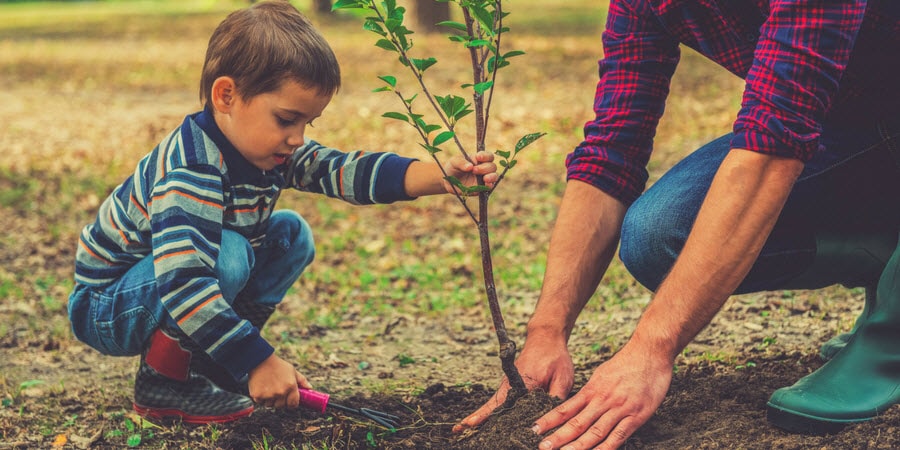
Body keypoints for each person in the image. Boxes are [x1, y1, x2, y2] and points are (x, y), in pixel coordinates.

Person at [456, 1, 900, 448]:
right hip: (854, 121)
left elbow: (773, 147)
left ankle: (891, 336)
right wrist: (548, 331)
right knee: (661, 232)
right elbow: (613, 148)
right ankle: (886, 255)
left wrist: (651, 350)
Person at [66, 0, 497, 424]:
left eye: (308, 123)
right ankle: (166, 383)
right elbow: (183, 283)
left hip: (164, 286)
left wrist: (438, 177)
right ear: (227, 95)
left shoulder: (267, 150)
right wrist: (259, 361)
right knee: (228, 253)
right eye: (287, 119)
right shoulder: (192, 170)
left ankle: (214, 364)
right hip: (108, 304)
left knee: (290, 234)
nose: (297, 138)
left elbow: (341, 169)